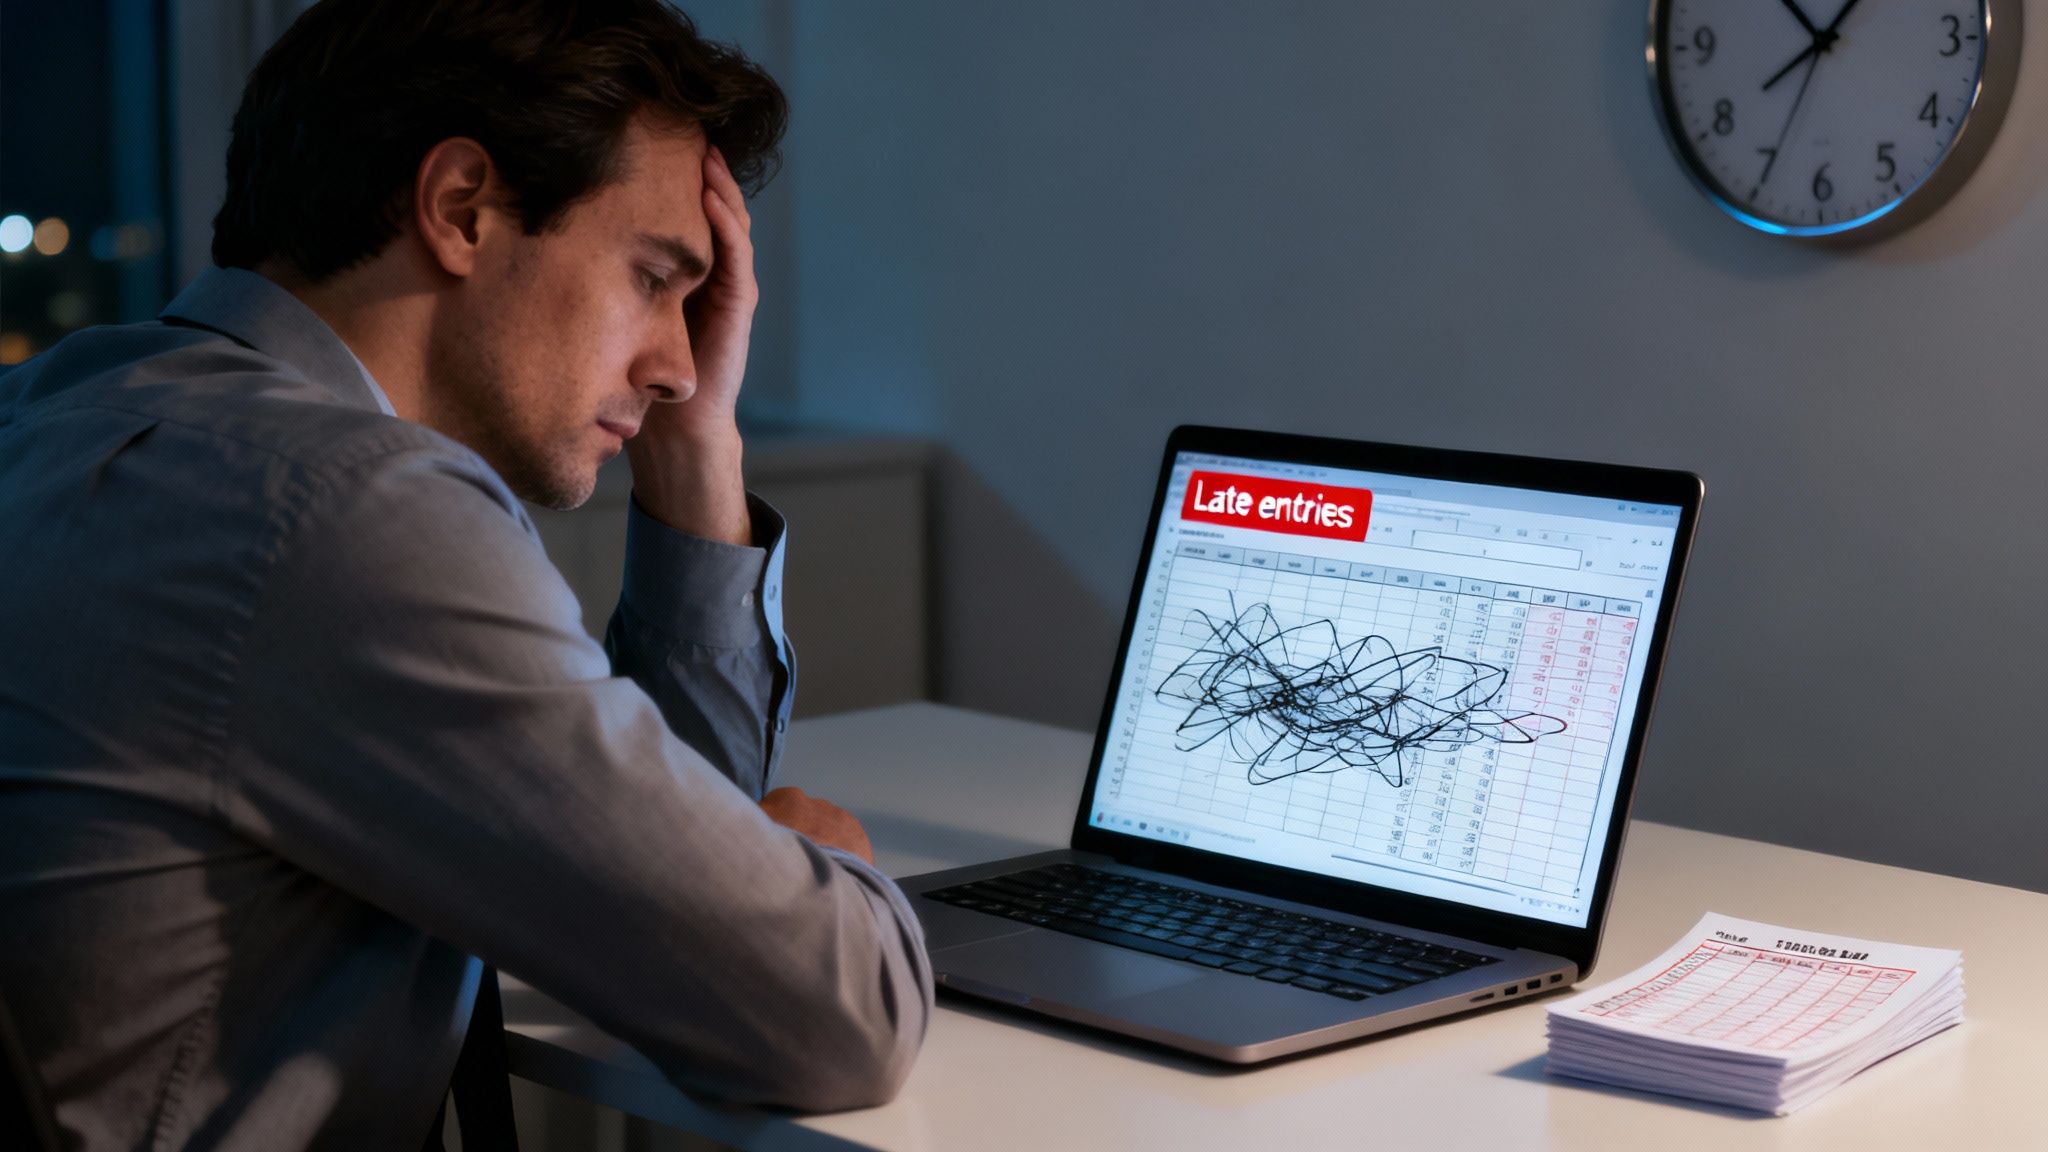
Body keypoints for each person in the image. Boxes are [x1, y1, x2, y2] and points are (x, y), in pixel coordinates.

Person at [0, 1, 932, 1148]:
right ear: (461, 208)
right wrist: (816, 870)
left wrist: (697, 453)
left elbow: (648, 870)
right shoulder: (342, 511)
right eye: (652, 278)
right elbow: (831, 1014)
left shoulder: (51, 413)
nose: (681, 365)